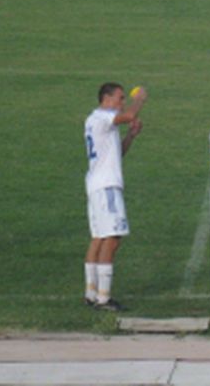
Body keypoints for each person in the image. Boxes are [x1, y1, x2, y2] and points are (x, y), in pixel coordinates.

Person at [82, 83, 146, 311]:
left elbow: (116, 154)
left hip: (96, 184)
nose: (122, 103)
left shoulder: (95, 121)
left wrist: (131, 135)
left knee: (99, 237)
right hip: (107, 186)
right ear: (106, 99)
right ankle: (103, 297)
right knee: (114, 237)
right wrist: (140, 98)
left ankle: (91, 293)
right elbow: (130, 114)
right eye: (119, 98)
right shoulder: (102, 117)